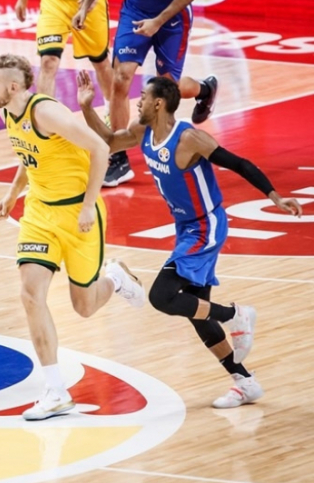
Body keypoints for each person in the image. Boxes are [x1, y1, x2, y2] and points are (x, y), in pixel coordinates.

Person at [77, 71, 303, 407]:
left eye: (143, 97)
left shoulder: (189, 139)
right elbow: (109, 141)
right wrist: (86, 107)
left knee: (161, 296)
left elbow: (239, 164)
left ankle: (236, 315)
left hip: (206, 226)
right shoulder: (142, 130)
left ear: (158, 103)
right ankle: (245, 382)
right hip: (186, 228)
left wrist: (275, 197)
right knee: (198, 312)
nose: (137, 102)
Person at [0, 54, 146, 421]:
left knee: (84, 307)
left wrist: (89, 205)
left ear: (13, 86)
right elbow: (29, 155)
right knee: (30, 295)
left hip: (78, 215)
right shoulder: (7, 111)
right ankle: (56, 391)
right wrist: (12, 194)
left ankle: (115, 278)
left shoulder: (47, 113)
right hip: (40, 214)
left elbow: (101, 149)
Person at [104, 0, 219, 187]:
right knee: (120, 78)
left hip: (173, 17)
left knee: (166, 91)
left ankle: (204, 89)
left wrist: (158, 21)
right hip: (135, 11)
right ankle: (119, 159)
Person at [14, 0, 113, 103]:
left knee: (100, 61)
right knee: (48, 62)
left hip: (86, 5)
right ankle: (44, 111)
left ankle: (111, 106)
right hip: (55, 5)